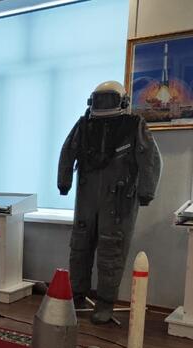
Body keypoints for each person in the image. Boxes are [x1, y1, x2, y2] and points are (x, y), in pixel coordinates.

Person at [58, 80, 162, 324]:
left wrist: (146, 192)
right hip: (87, 197)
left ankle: (105, 302)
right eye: (100, 100)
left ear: (122, 101)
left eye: (109, 99)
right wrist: (64, 183)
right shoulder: (84, 126)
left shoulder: (134, 125)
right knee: (80, 247)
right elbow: (68, 152)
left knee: (111, 251)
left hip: (119, 200)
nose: (104, 105)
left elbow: (150, 159)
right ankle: (76, 295)